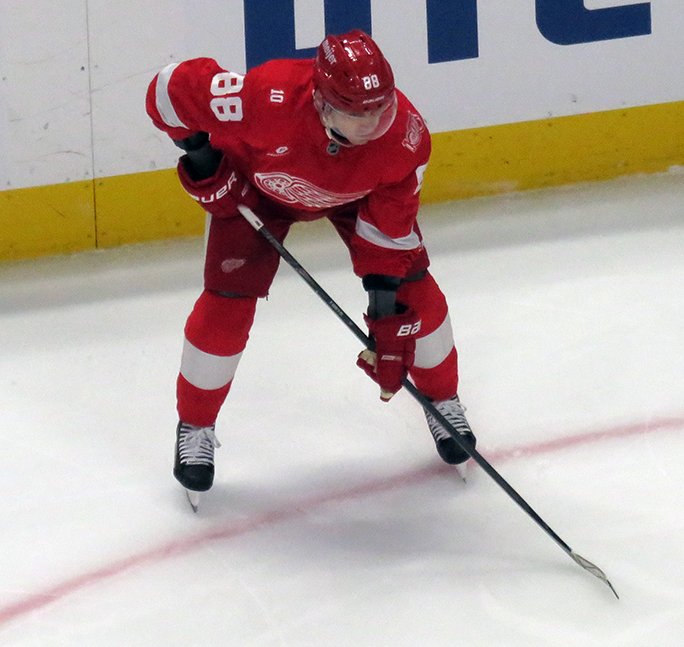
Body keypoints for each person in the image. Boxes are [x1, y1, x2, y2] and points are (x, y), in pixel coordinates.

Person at [146, 29, 476, 499]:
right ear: (322, 102)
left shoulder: (405, 137)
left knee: (417, 294)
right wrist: (204, 162)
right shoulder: (267, 97)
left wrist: (385, 315)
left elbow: (389, 231)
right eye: (358, 113)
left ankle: (443, 401)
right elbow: (168, 90)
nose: (374, 122)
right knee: (227, 307)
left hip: (354, 198)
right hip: (256, 191)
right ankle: (195, 429)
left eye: (380, 108)